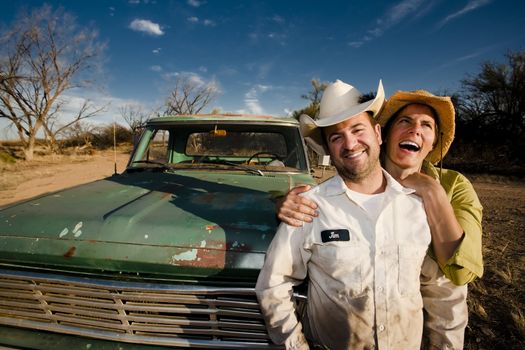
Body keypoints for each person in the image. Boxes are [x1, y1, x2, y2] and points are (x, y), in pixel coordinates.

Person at [277, 89, 484, 349]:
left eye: (426, 125)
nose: (415, 130)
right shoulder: (341, 188)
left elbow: (455, 278)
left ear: (434, 142)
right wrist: (280, 202)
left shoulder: (452, 187)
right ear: (384, 135)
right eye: (405, 121)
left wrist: (432, 192)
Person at [256, 79, 434, 349]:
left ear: (377, 133)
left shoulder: (417, 206)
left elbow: (439, 291)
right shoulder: (308, 208)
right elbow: (273, 285)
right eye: (336, 137)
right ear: (328, 149)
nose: (350, 144)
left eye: (357, 129)